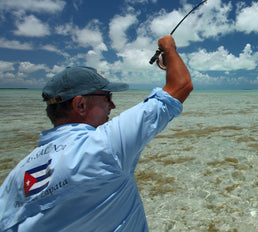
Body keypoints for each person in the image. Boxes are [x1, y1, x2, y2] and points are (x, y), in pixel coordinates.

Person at [0, 35, 193, 231]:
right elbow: (181, 85)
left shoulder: (15, 176)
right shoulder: (103, 146)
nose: (112, 105)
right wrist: (168, 48)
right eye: (107, 97)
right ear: (80, 104)